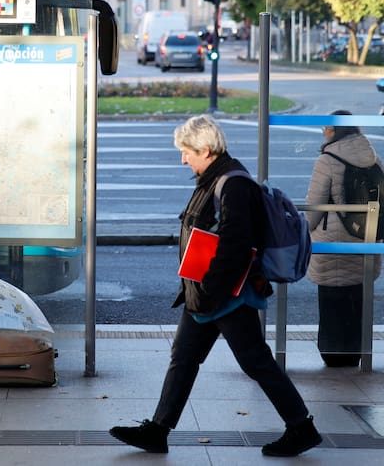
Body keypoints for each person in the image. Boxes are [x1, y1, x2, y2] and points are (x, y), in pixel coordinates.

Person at [109, 115, 322, 458]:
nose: (183, 159)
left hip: (225, 295)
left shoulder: (233, 184)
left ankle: (302, 427)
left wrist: (210, 290)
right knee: (184, 356)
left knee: (254, 361)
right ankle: (158, 430)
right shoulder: (214, 178)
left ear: (205, 149)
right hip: (207, 293)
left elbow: (235, 247)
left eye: (186, 152)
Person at [305, 110, 383, 367]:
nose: (324, 132)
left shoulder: (327, 160)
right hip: (366, 242)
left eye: (326, 128)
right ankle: (355, 353)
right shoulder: (374, 158)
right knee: (357, 301)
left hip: (332, 245)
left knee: (332, 303)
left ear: (336, 131)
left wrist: (304, 236)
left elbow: (314, 208)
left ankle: (333, 354)